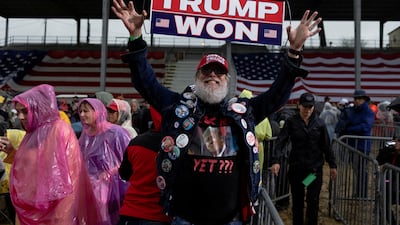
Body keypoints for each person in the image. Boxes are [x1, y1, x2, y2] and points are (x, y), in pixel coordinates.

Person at [113, 0, 321, 223]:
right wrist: (136, 37)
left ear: (227, 80)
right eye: (207, 71)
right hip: (185, 218)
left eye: (219, 72)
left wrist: (294, 50)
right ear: (197, 77)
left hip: (231, 219)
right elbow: (146, 82)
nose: (212, 75)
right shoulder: (176, 108)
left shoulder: (243, 112)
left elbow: (278, 94)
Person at [5, 84, 100, 225]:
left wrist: (62, 217)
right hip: (32, 210)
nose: (21, 117)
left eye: (25, 111)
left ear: (39, 109)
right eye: (18, 112)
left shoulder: (59, 130)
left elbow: (70, 179)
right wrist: (13, 153)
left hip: (55, 212)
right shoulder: (32, 133)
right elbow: (31, 167)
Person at [271, 92, 337, 225]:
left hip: (313, 170)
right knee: (297, 201)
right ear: (298, 105)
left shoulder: (320, 124)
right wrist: (276, 161)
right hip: (297, 169)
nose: (307, 110)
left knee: (313, 201)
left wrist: (333, 165)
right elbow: (280, 142)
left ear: (313, 107)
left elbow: (326, 146)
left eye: (310, 107)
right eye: (305, 106)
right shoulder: (291, 122)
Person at [78, 97, 131, 225]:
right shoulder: (86, 134)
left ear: (97, 111)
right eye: (80, 111)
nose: (82, 115)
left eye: (86, 111)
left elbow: (128, 161)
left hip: (114, 191)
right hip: (92, 191)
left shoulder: (116, 133)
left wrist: (109, 174)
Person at [118, 106, 171, 225]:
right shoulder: (179, 147)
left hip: (130, 211)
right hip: (159, 215)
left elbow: (124, 174)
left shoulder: (136, 142)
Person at [336, 89, 375, 198]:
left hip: (362, 145)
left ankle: (362, 193)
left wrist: (349, 129)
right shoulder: (353, 110)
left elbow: (365, 126)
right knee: (357, 170)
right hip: (353, 144)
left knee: (361, 170)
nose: (357, 100)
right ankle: (359, 192)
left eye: (359, 99)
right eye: (356, 98)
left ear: (364, 100)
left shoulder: (368, 112)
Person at [376, 136, 400, 225]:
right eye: (396, 141)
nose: (396, 143)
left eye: (398, 141)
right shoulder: (392, 153)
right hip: (390, 185)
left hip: (396, 187)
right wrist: (387, 148)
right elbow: (379, 160)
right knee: (383, 202)